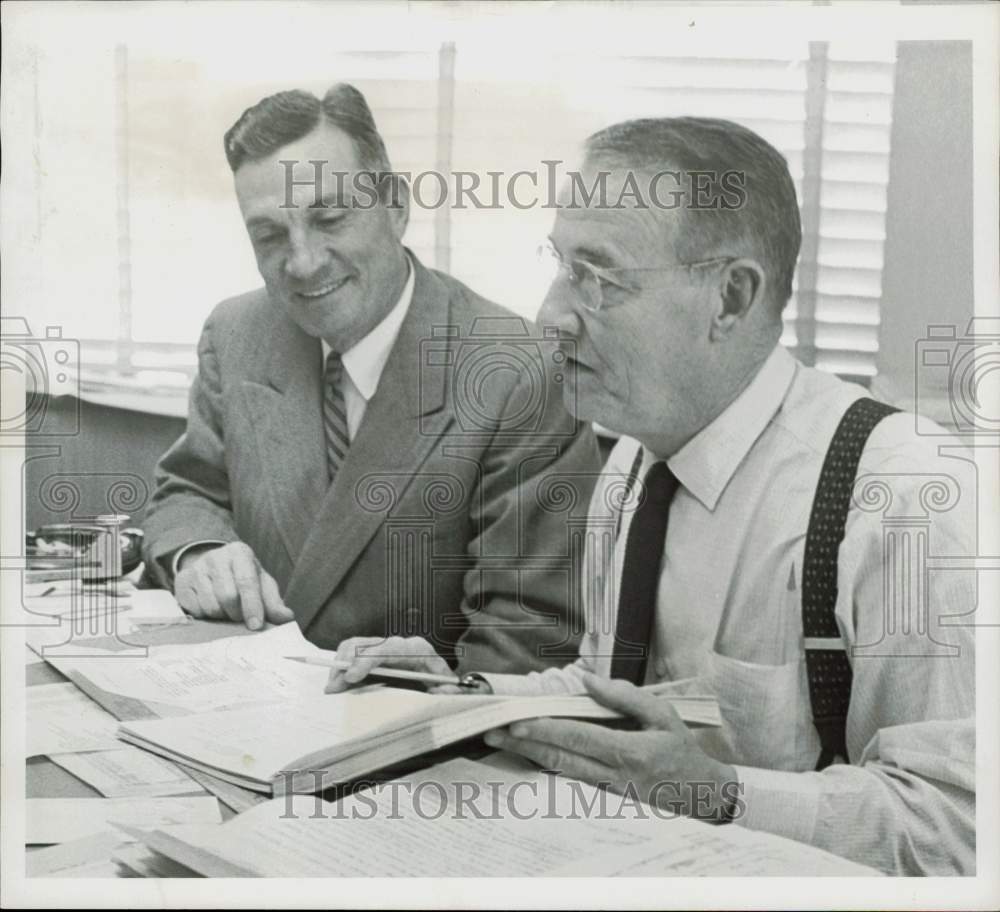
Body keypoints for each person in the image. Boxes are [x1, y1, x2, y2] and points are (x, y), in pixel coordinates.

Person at [326, 117, 976, 875]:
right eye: (562, 265)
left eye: (597, 278)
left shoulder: (901, 499)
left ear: (730, 298)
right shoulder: (634, 461)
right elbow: (618, 693)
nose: (550, 313)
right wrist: (459, 695)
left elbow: (961, 829)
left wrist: (722, 795)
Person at [142, 84, 600, 675]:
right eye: (270, 235)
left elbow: (526, 640)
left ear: (396, 206)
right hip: (234, 717)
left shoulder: (518, 372)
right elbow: (188, 490)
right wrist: (198, 553)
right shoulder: (237, 332)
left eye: (329, 218)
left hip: (412, 742)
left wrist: (433, 691)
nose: (303, 262)